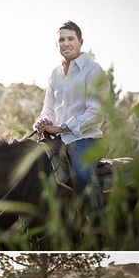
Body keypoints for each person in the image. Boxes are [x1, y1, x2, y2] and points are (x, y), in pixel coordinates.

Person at [34, 20, 109, 218]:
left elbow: (96, 113)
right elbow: (48, 109)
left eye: (70, 39)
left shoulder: (94, 71)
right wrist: (42, 121)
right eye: (61, 40)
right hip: (56, 140)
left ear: (80, 42)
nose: (66, 43)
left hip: (86, 139)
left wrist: (61, 128)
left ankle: (99, 229)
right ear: (56, 44)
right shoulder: (54, 74)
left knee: (83, 175)